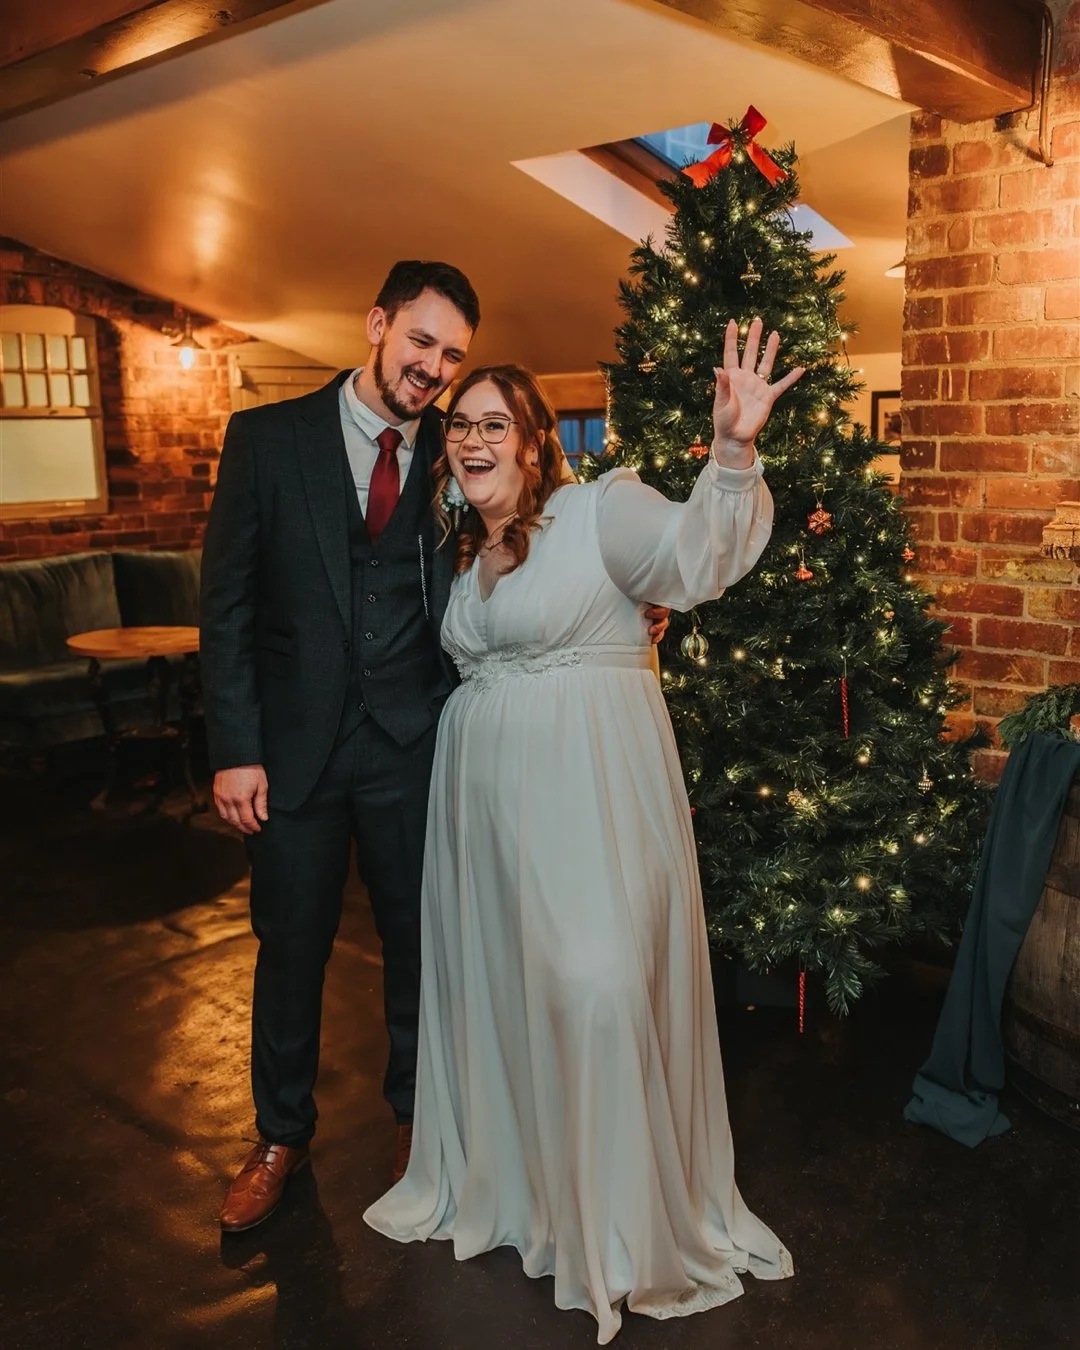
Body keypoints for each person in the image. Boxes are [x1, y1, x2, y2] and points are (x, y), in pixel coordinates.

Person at [200, 260, 669, 1233]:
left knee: (427, 945)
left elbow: (538, 533)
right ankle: (281, 1135)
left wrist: (630, 600)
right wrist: (235, 747)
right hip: (290, 755)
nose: (434, 369)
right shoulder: (266, 438)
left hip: (414, 744)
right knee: (289, 948)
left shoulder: (458, 458)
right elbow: (229, 604)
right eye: (421, 342)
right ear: (375, 324)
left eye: (452, 356)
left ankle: (426, 1125)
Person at [363, 318, 804, 1342]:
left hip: (591, 806)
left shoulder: (600, 509)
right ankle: (532, 1198)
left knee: (599, 986)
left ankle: (617, 1222)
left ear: (531, 442)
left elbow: (695, 562)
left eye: (493, 421)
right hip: (487, 829)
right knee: (508, 998)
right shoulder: (464, 561)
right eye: (457, 424)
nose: (470, 437)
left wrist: (732, 453)